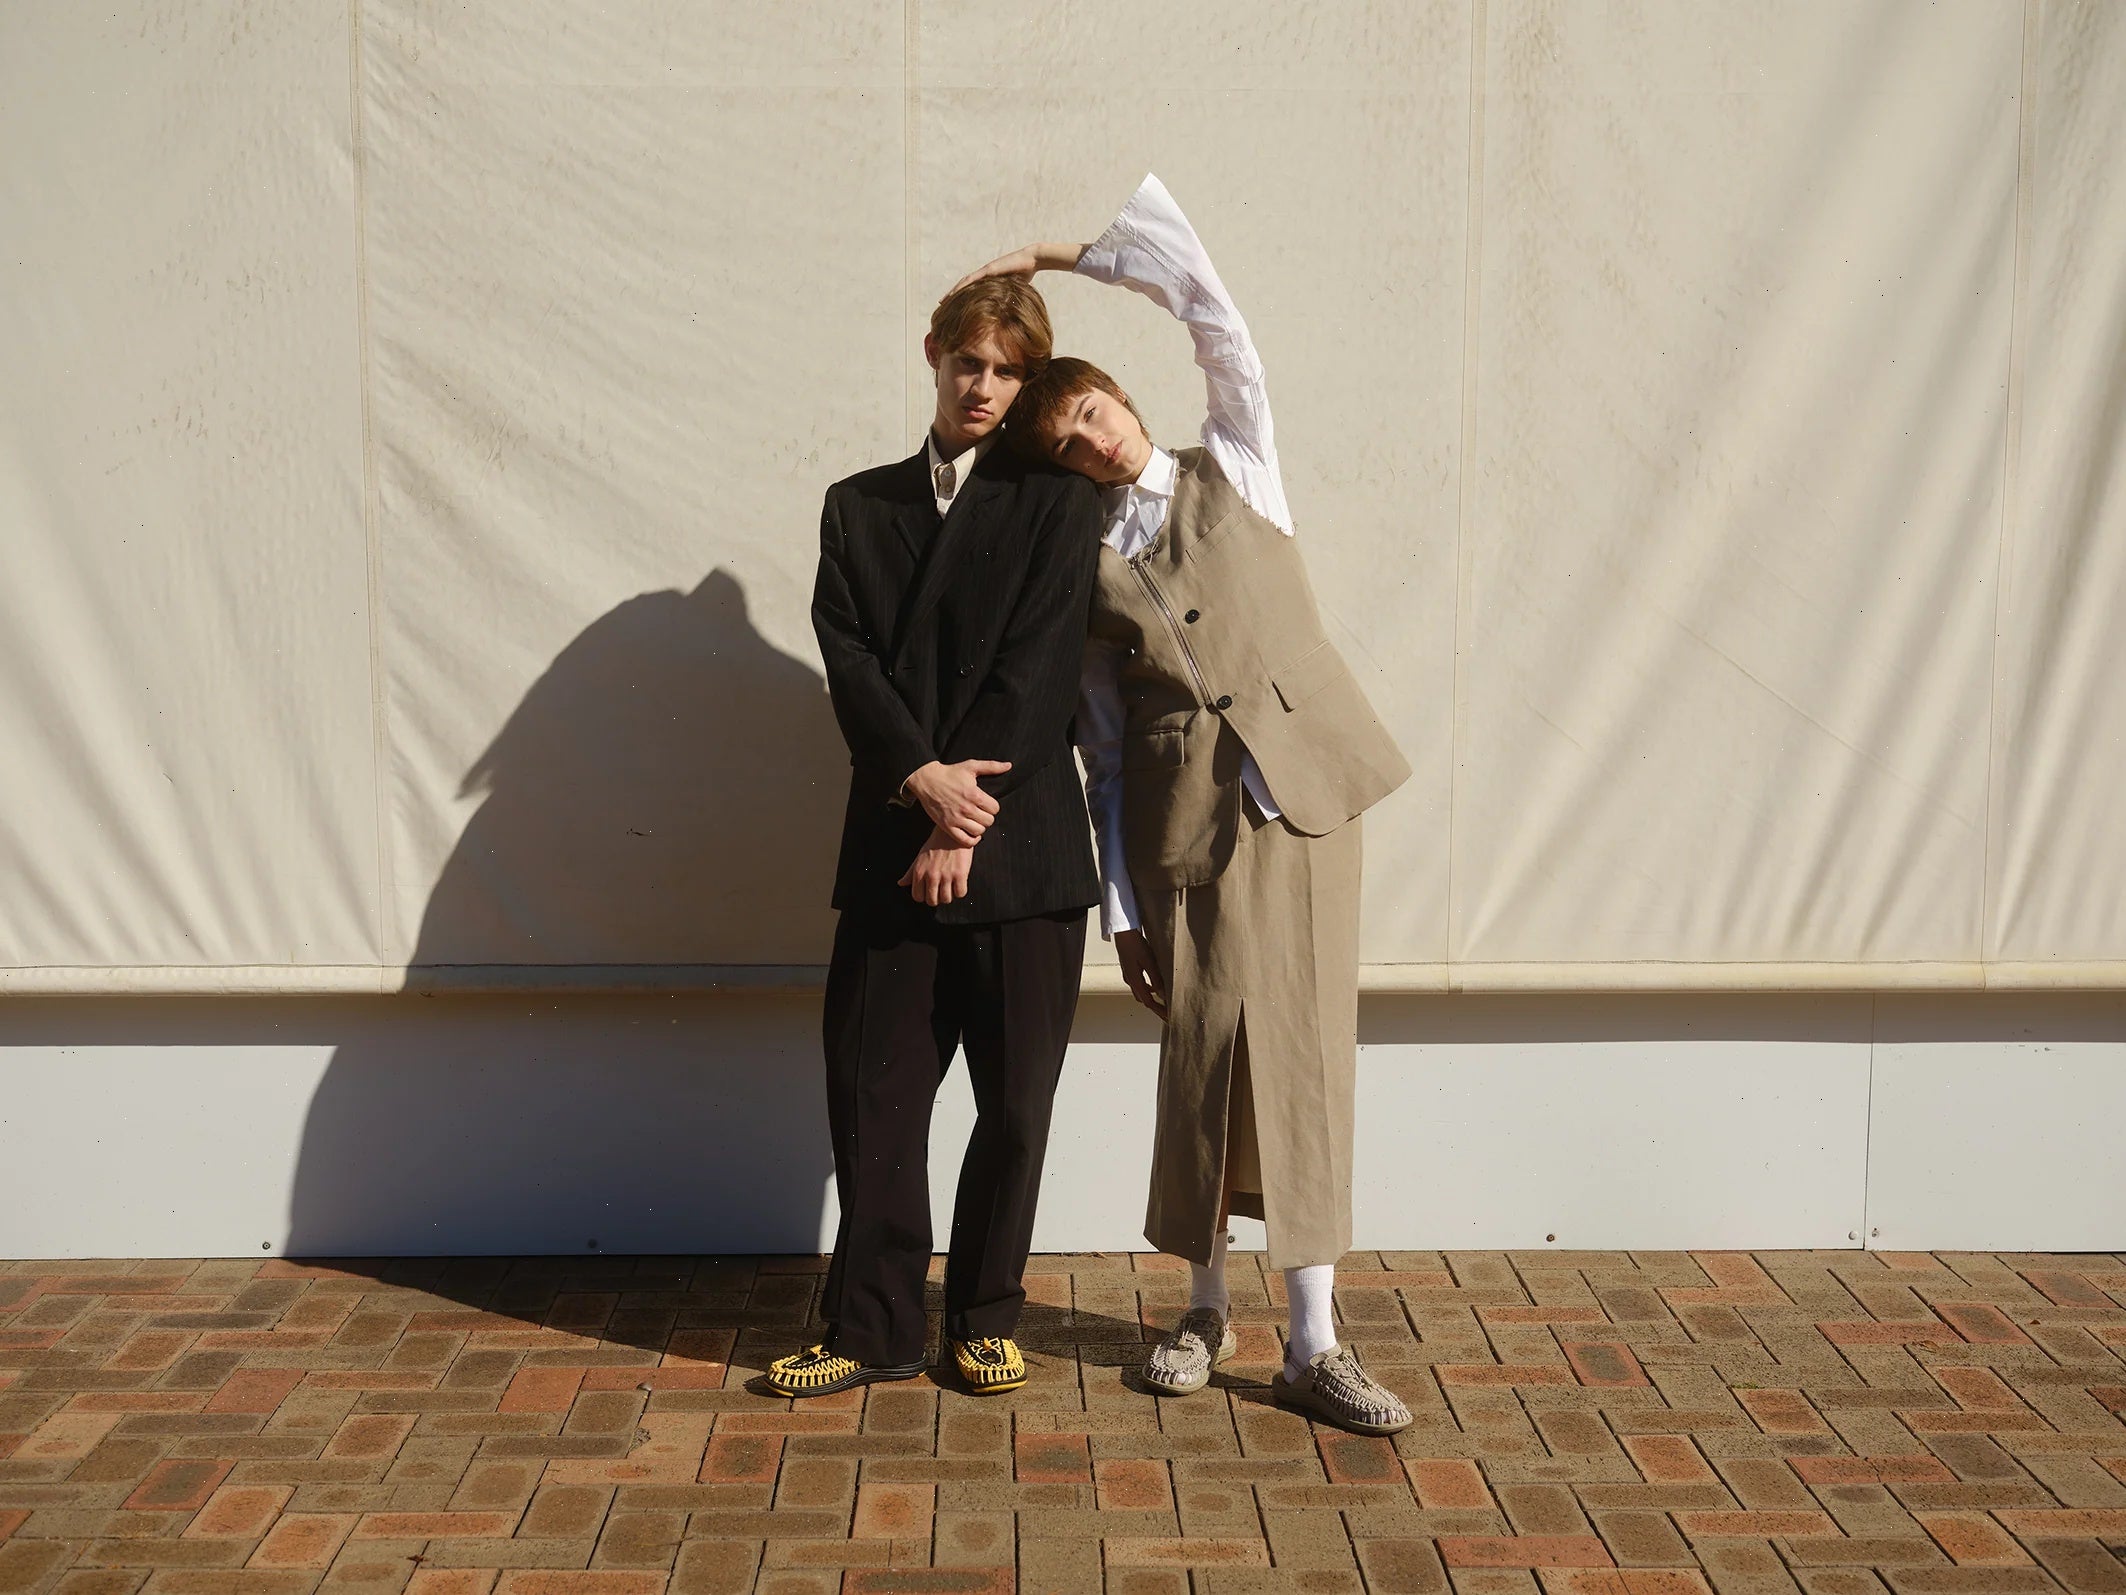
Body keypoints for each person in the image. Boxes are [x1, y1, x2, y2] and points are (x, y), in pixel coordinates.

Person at [953, 174, 1415, 1434]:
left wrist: (1060, 253)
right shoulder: (1089, 565)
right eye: (1065, 439)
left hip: (1306, 798)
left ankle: (1315, 1339)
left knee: (1304, 1054)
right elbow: (1101, 752)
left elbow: (1216, 315)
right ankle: (1203, 1307)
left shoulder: (1240, 466)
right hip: (1182, 829)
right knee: (1203, 1051)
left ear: (1121, 398)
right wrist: (1122, 913)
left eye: (1092, 411)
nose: (1091, 439)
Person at [763, 277, 1103, 1398]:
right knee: (873, 1099)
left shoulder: (1058, 500)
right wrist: (920, 781)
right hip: (893, 840)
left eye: (1008, 371)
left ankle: (985, 1316)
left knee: (1015, 1106)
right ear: (932, 355)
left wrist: (963, 818)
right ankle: (871, 1326)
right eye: (969, 363)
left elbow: (1038, 666)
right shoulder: (858, 506)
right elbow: (848, 655)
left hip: (1021, 852)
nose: (984, 388)